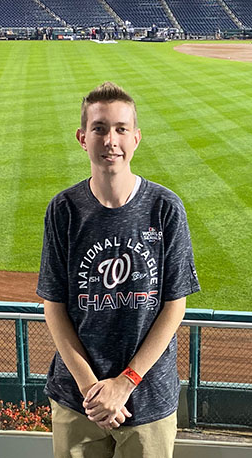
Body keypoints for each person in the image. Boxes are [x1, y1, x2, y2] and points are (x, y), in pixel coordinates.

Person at [37, 82, 200, 458]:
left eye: (121, 129)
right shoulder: (63, 210)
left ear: (136, 138)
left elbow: (175, 305)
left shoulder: (165, 207)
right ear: (83, 137)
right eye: (100, 128)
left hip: (147, 398)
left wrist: (124, 384)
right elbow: (54, 305)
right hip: (79, 400)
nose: (111, 139)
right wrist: (93, 390)